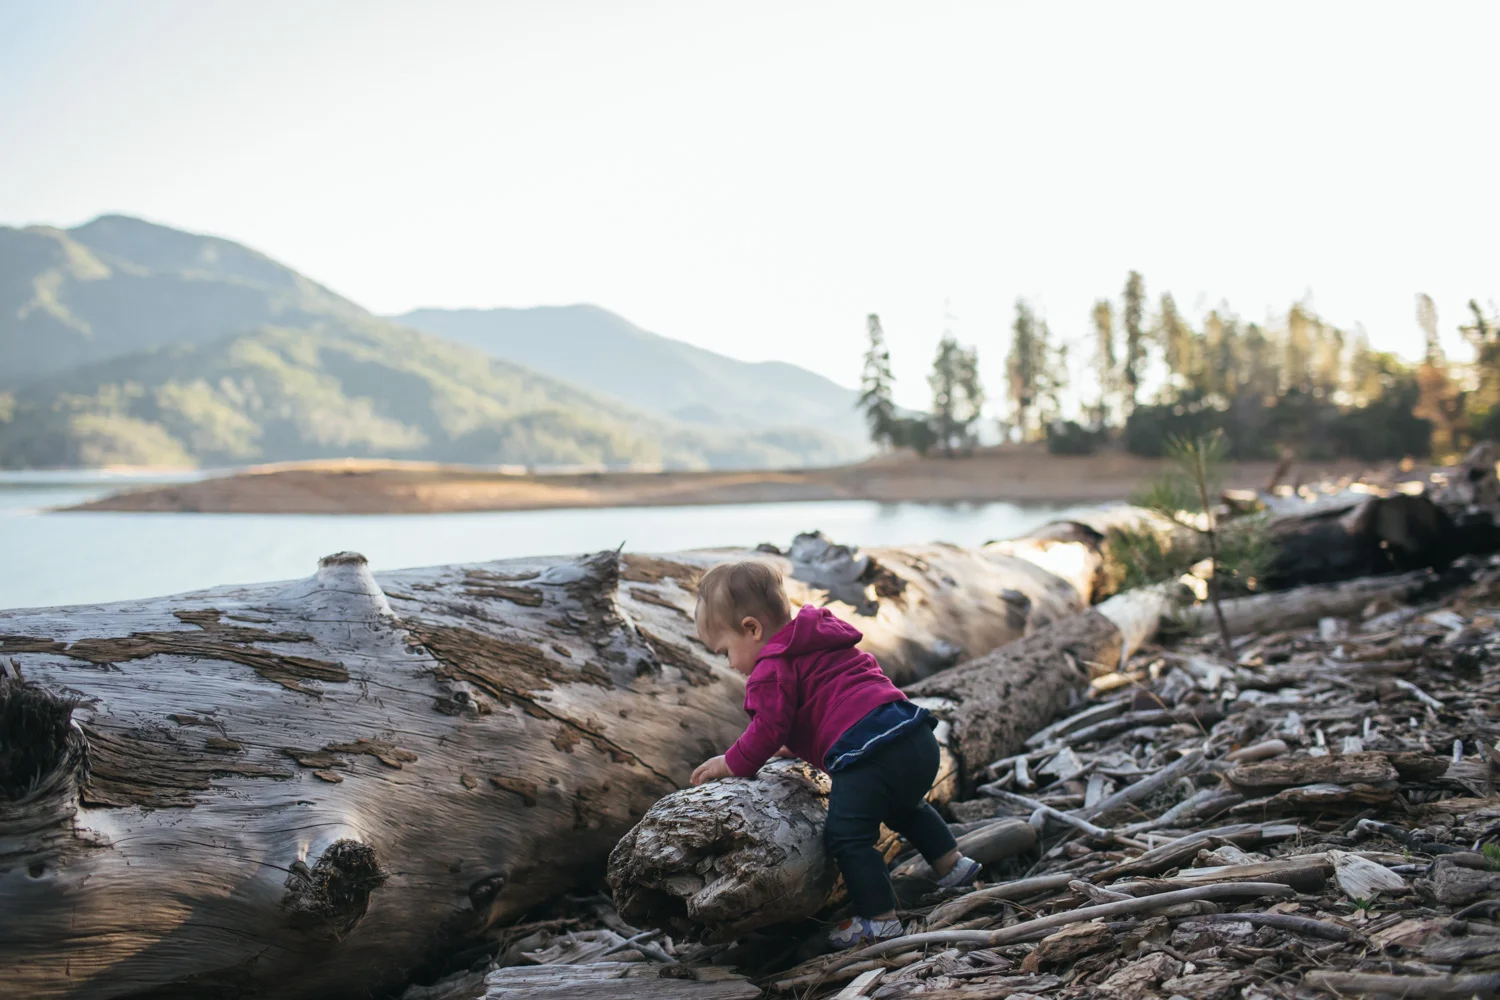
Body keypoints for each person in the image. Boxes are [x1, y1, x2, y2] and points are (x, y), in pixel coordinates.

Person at [689, 560, 980, 948]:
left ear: (752, 629)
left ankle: (879, 920)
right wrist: (798, 744)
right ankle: (953, 866)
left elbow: (768, 727)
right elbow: (826, 703)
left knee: (847, 837)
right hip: (914, 734)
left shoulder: (770, 667)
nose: (730, 664)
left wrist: (731, 762)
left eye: (726, 651)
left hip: (869, 754)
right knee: (903, 804)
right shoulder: (821, 637)